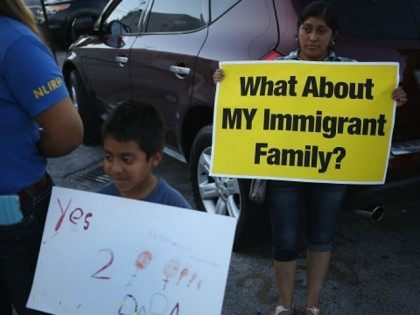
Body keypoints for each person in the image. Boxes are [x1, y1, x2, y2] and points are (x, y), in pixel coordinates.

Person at [212, 1, 407, 314]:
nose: (313, 37)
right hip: (284, 169)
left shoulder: (352, 70)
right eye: (307, 29)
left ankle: (312, 306)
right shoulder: (275, 71)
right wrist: (226, 82)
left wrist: (393, 97)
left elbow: (368, 112)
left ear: (333, 36)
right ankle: (283, 305)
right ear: (298, 32)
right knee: (285, 241)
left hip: (329, 172)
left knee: (321, 238)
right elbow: (249, 107)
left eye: (321, 30)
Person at [0, 0, 84, 314]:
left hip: (15, 216)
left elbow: (68, 133)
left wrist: (29, 149)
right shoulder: (14, 41)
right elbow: (67, 133)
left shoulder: (13, 42)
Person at [98, 100, 192, 209]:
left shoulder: (176, 207)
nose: (115, 168)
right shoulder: (99, 200)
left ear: (155, 158)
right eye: (108, 157)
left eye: (126, 159)